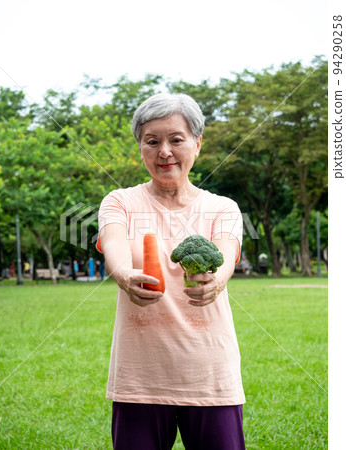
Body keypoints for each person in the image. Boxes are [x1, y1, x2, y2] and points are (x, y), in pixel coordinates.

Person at [97, 93, 245, 449]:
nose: (164, 151)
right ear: (140, 147)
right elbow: (114, 244)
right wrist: (124, 275)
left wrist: (217, 281)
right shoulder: (120, 201)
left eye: (176, 139)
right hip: (139, 377)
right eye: (152, 141)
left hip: (211, 375)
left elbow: (226, 251)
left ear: (197, 143)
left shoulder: (222, 208)